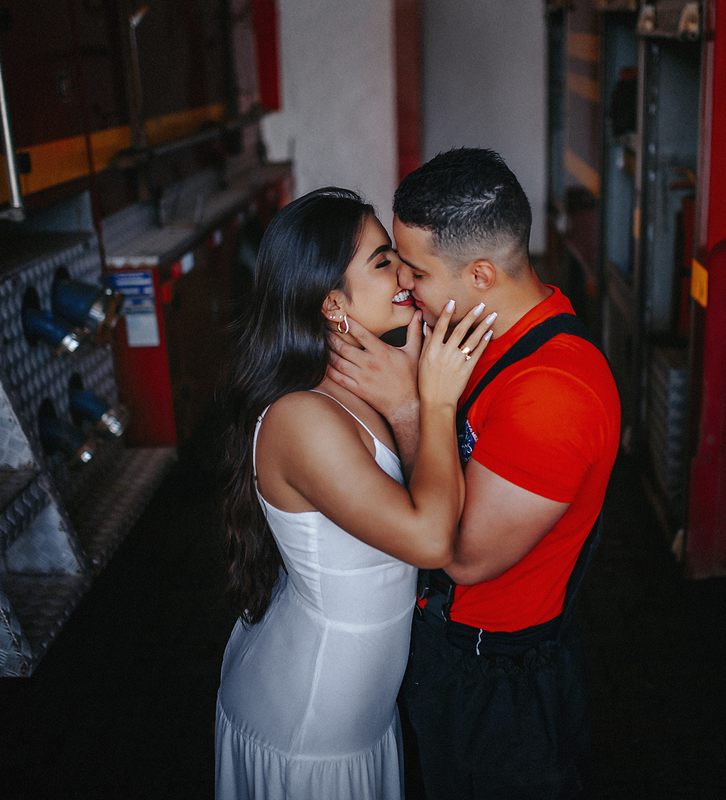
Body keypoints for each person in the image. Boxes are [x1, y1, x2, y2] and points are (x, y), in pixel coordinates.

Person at [327, 148, 621, 799]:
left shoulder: (553, 394)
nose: (405, 286)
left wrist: (413, 410)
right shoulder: (482, 331)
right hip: (451, 650)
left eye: (417, 272)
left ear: (481, 274)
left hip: (498, 679)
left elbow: (460, 556)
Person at [213, 187, 494, 800]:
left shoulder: (367, 386)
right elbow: (431, 540)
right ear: (333, 303)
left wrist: (410, 403)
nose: (406, 275)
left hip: (360, 713)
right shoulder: (301, 418)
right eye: (384, 262)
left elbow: (430, 506)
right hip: (307, 723)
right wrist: (431, 404)